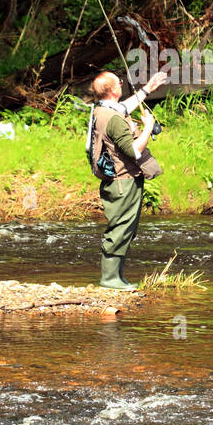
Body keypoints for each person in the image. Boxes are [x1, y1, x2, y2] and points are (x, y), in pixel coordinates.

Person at [88, 68, 169, 289]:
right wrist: (148, 128)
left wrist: (147, 89)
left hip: (121, 180)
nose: (122, 84)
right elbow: (134, 150)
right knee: (121, 229)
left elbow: (125, 107)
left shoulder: (103, 110)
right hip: (123, 182)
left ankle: (117, 278)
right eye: (119, 83)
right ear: (114, 89)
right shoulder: (113, 119)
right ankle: (110, 279)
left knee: (126, 229)